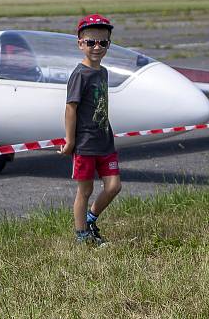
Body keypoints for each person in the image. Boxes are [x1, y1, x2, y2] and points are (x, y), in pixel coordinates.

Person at [59, 14, 122, 245]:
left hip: (105, 142)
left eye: (103, 43)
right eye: (91, 42)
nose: (97, 47)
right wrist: (69, 140)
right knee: (84, 191)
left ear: (108, 45)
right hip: (85, 144)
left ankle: (90, 219)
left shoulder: (102, 72)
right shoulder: (79, 74)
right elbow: (70, 108)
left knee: (114, 186)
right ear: (80, 44)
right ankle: (82, 235)